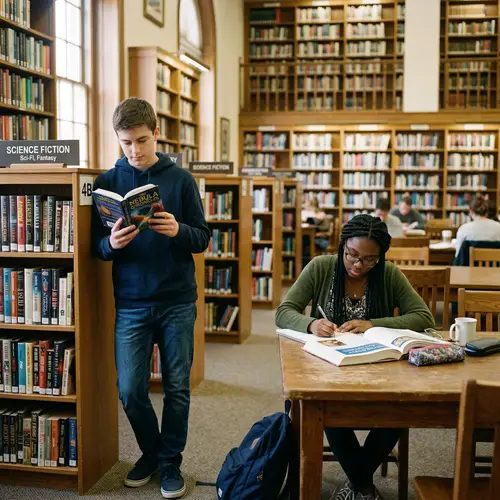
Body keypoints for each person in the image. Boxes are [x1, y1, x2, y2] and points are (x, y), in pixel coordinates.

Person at [91, 97, 210, 499]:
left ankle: (169, 462)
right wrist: (110, 242)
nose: (135, 151)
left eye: (141, 140)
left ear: (156, 132)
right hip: (131, 302)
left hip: (177, 300)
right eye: (126, 142)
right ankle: (152, 451)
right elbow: (96, 249)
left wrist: (179, 231)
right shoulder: (107, 181)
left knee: (177, 387)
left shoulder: (180, 180)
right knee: (130, 389)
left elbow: (203, 238)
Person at [275, 214, 434, 500]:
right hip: (327, 369)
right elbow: (284, 312)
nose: (358, 265)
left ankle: (358, 484)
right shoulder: (321, 267)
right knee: (329, 408)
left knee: (400, 412)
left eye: (369, 259)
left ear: (381, 257)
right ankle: (363, 486)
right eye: (352, 255)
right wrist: (311, 324)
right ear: (342, 247)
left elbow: (423, 316)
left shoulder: (389, 274)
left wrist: (375, 324)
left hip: (380, 371)